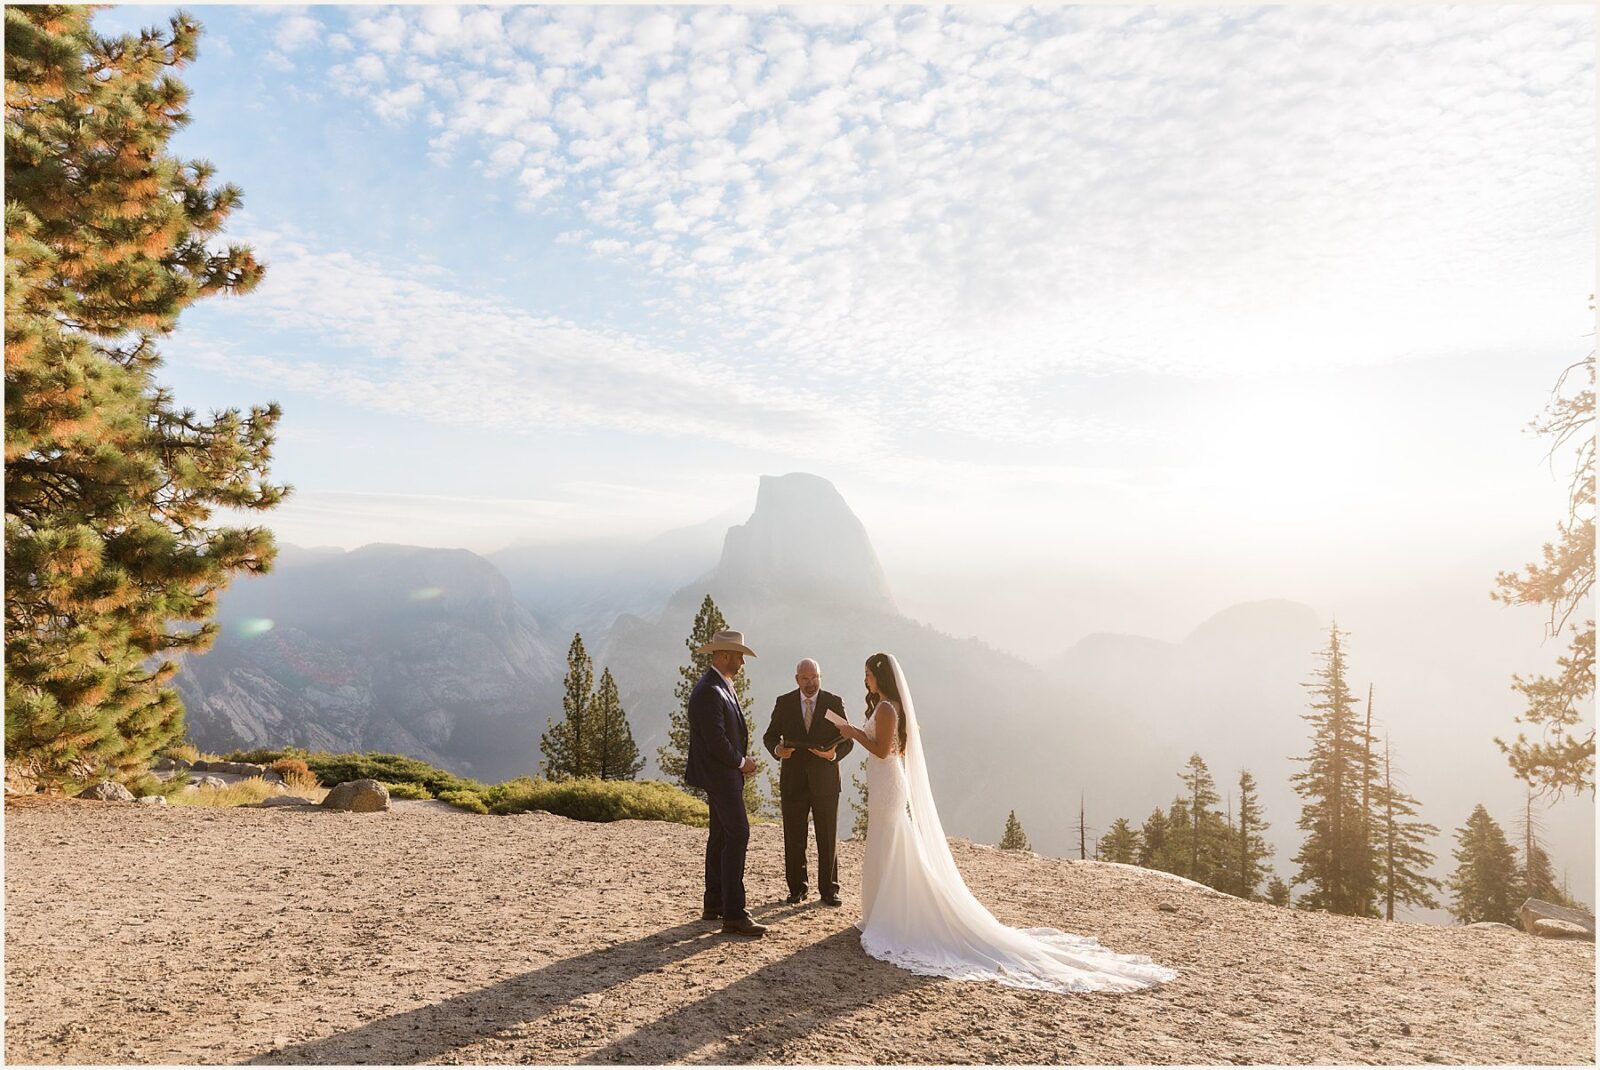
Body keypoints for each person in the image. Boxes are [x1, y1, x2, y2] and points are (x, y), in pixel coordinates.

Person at [826, 652, 1177, 992]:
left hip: (888, 785)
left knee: (890, 843)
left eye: (868, 674)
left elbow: (884, 749)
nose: (865, 679)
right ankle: (882, 914)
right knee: (886, 844)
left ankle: (892, 917)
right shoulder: (885, 706)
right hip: (884, 784)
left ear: (879, 674)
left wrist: (851, 731)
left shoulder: (887, 708)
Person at [684, 628, 766, 937]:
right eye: (740, 657)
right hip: (721, 776)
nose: (743, 663)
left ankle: (714, 902)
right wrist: (743, 763)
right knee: (738, 834)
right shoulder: (709, 690)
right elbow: (716, 740)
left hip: (721, 775)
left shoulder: (720, 685)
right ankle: (734, 912)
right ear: (724, 656)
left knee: (719, 836)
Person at [763, 658, 854, 906]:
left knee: (827, 837)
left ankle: (829, 889)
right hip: (793, 782)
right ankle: (797, 889)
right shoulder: (784, 703)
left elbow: (848, 739)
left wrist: (833, 755)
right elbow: (770, 735)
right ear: (797, 680)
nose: (811, 682)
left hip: (825, 781)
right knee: (794, 837)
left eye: (815, 677)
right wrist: (777, 749)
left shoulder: (832, 703)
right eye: (806, 678)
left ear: (820, 677)